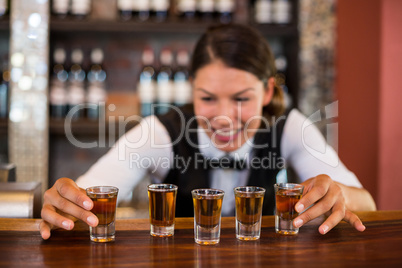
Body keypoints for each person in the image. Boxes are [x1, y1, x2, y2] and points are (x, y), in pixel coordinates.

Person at [40, 24, 376, 240]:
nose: (225, 118)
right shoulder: (160, 132)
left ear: (268, 93)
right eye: (208, 98)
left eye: (242, 99)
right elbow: (83, 199)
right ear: (192, 91)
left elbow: (368, 205)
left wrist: (341, 196)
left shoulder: (289, 127)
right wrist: (64, 202)